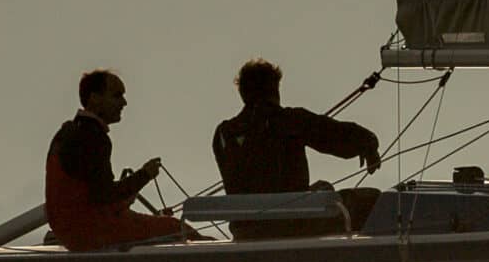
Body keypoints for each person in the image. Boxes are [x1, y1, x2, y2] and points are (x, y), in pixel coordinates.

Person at [211, 59, 383, 239]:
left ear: (243, 93)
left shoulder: (223, 134)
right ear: (274, 90)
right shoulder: (289, 120)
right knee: (372, 199)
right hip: (294, 224)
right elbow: (339, 137)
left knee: (322, 188)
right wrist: (369, 143)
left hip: (246, 230)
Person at [44, 69, 198, 252]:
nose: (124, 102)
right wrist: (144, 175)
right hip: (91, 231)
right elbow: (103, 196)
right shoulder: (93, 137)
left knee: (161, 224)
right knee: (178, 229)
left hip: (68, 230)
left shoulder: (66, 133)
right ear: (95, 98)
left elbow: (88, 193)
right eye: (117, 96)